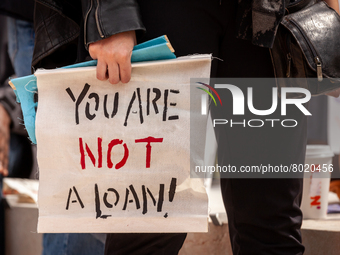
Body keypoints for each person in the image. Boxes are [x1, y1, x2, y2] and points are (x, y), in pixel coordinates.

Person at [32, 0, 340, 255]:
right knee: (151, 219)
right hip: (170, 11)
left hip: (267, 20)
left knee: (272, 223)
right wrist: (111, 15)